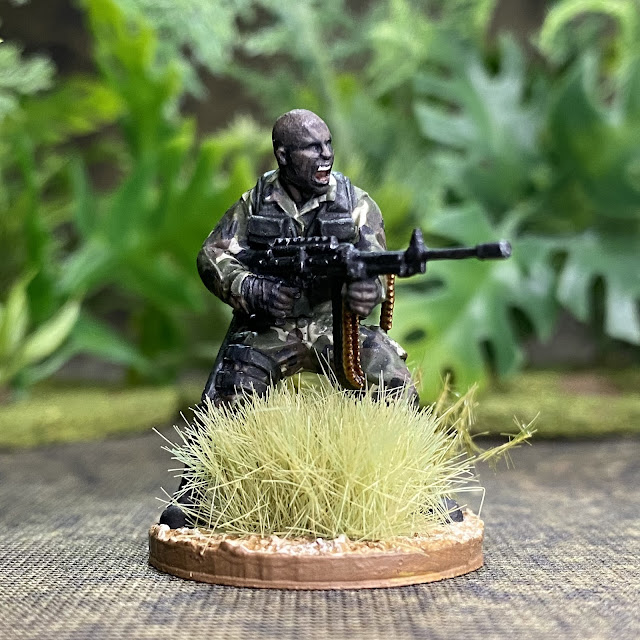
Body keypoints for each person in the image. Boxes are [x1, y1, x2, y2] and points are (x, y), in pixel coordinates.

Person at [160, 109, 418, 528]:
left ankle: (418, 494)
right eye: (312, 147)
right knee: (230, 390)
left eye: (328, 144)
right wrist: (251, 288)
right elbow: (212, 255)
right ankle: (197, 495)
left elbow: (372, 265)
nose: (326, 155)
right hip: (271, 327)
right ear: (282, 155)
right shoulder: (254, 204)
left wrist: (363, 293)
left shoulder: (356, 204)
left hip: (335, 324)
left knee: (391, 376)